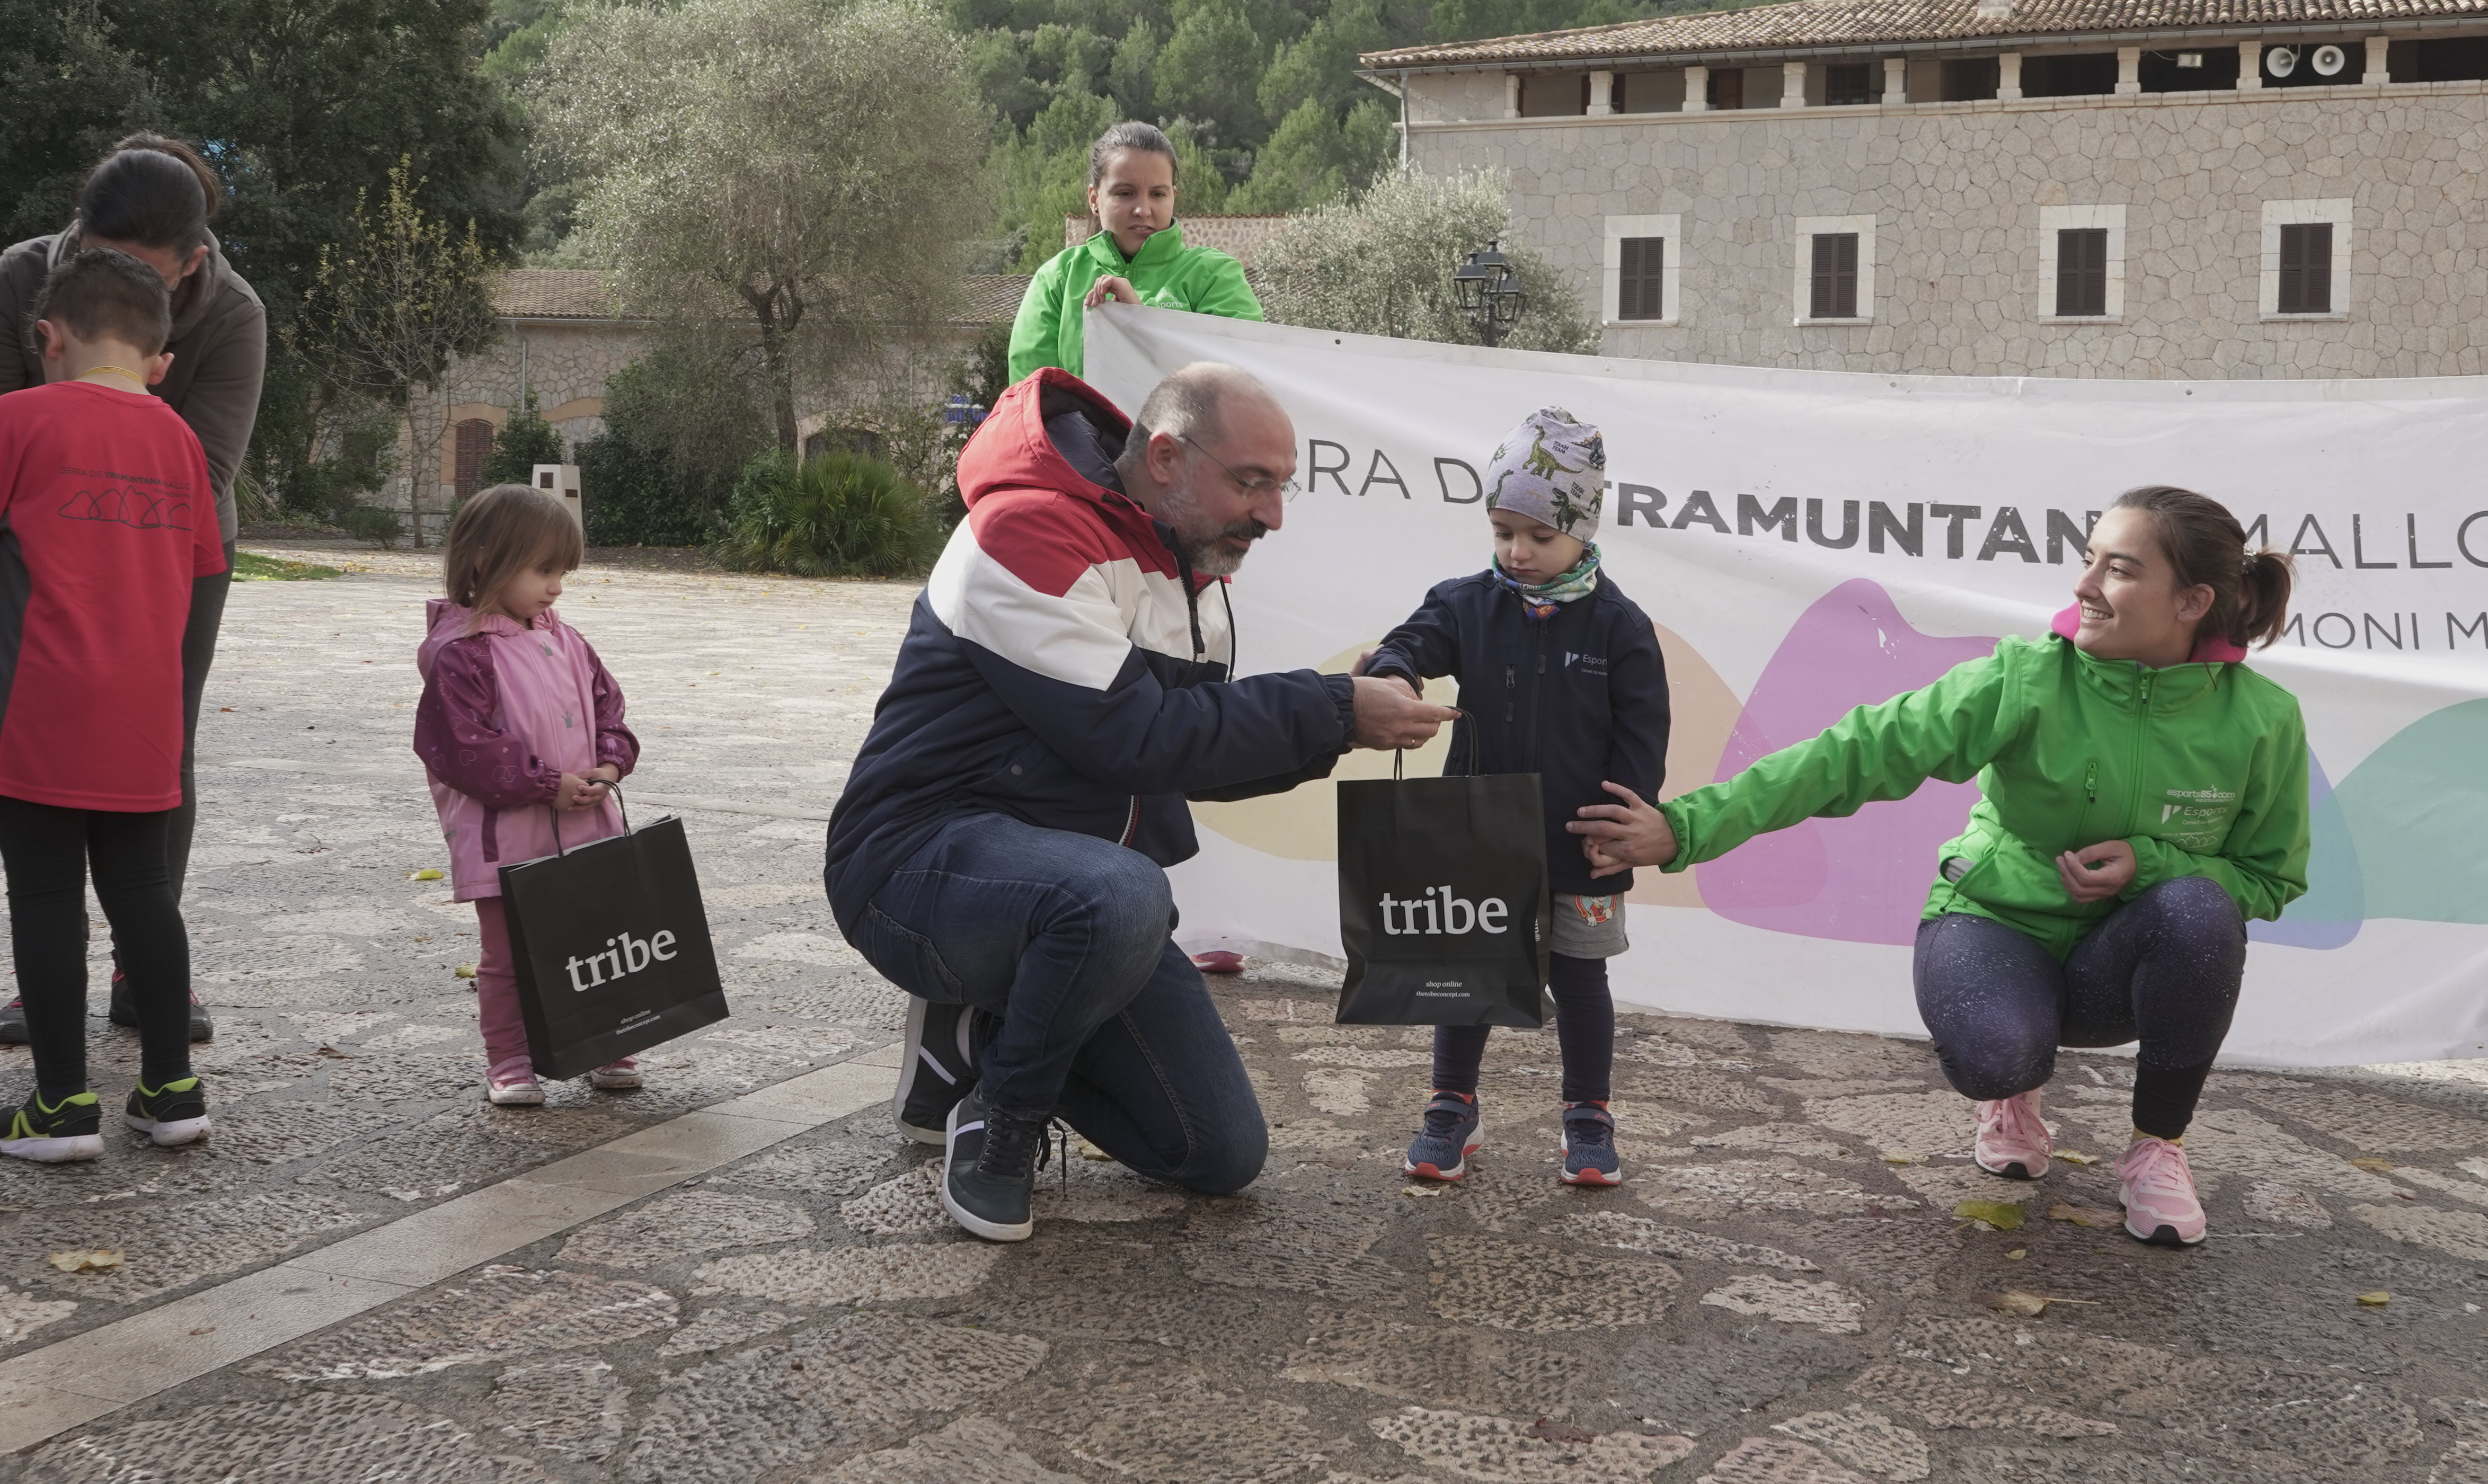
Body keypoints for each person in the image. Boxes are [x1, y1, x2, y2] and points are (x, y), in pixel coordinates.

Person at [1571, 487, 2307, 1247]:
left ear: (2193, 601)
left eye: (2117, 570)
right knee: (1996, 1054)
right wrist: (1684, 828)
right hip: (1994, 925)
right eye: (2087, 561)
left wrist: (2150, 865)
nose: (2084, 586)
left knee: (2200, 911)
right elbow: (1852, 754)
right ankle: (2012, 1094)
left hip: (2112, 970)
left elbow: (2268, 879)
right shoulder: (2023, 678)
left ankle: (2158, 1149)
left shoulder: (2263, 720)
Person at [825, 362, 1456, 1242]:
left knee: (1218, 1152)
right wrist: (1333, 708)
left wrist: (1342, 721)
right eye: (1252, 482)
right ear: (1165, 457)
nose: (1273, 515)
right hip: (913, 867)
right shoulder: (1023, 534)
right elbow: (1136, 737)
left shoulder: (1189, 569)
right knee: (1126, 892)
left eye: (1282, 487)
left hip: (1074, 899)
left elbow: (1186, 757)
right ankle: (1000, 1119)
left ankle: (969, 1038)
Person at [0, 135, 267, 1048]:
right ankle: (47, 979)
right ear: (77, 231)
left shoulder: (234, 314)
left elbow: (207, 467)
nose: (114, 291)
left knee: (158, 749)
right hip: (22, 546)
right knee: (31, 753)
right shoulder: (18, 278)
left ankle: (139, 974)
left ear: (192, 266)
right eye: (97, 263)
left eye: (145, 281)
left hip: (175, 555)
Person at [0, 249, 226, 1163]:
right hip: (145, 715)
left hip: (36, 710)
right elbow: (203, 566)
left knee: (45, 896)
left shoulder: (17, 417)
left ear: (48, 338)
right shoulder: (180, 440)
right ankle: (170, 1091)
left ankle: (60, 1106)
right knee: (144, 898)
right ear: (158, 361)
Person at [1359, 408, 1667, 1186]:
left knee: (1582, 980)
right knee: (1466, 974)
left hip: (1581, 844)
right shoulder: (1466, 604)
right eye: (1502, 532)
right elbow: (1412, 640)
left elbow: (1643, 731)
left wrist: (1628, 817)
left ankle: (1588, 1115)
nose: (1518, 552)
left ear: (1583, 530)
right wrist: (1394, 673)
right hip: (1476, 833)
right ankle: (1451, 1107)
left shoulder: (1621, 628)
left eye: (1538, 535)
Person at [413, 485, 647, 1105]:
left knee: (597, 936)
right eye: (544, 570)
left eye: (563, 572)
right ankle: (510, 1058)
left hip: (585, 822)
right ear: (488, 560)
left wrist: (609, 765)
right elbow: (466, 748)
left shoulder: (568, 641)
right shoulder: (460, 653)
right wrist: (548, 784)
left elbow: (610, 710)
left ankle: (604, 1035)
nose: (558, 587)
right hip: (506, 834)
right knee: (507, 951)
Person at [1003, 121, 1264, 384]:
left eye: (1158, 194)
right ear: (1095, 199)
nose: (1143, 210)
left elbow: (1237, 388)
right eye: (1125, 193)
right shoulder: (1057, 279)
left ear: (1173, 197)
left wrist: (1140, 323)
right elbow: (1031, 399)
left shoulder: (1216, 277)